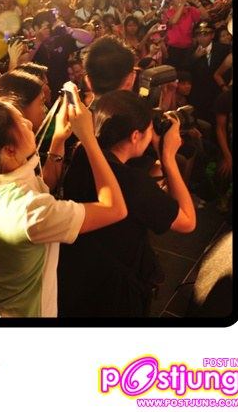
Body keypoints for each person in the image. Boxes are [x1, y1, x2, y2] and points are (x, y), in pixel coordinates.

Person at [0, 91, 126, 317]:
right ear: (9, 151)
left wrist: (58, 139)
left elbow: (43, 185)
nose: (28, 123)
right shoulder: (28, 211)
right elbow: (115, 209)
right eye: (21, 123)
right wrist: (88, 138)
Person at [59, 90, 196, 317]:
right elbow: (187, 222)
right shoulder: (133, 183)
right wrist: (168, 157)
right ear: (135, 136)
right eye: (149, 130)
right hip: (116, 294)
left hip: (79, 278)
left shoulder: (82, 154)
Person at [161, 0, 209, 70]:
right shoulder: (167, 12)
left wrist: (197, 3)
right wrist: (183, 3)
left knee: (186, 72)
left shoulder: (190, 10)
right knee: (172, 73)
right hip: (172, 49)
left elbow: (206, 17)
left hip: (187, 48)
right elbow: (173, 21)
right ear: (171, 1)